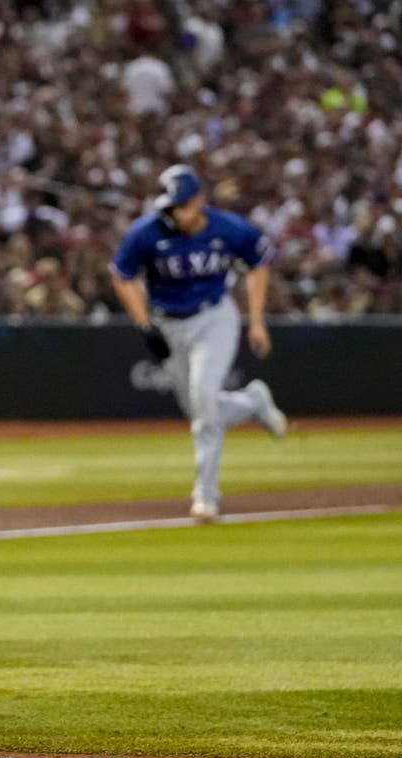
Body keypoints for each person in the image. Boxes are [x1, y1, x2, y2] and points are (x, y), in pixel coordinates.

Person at [109, 164, 288, 522]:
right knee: (198, 410)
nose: (175, 213)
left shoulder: (229, 227)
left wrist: (255, 321)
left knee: (204, 399)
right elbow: (122, 275)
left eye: (181, 205)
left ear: (199, 200)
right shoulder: (146, 232)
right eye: (170, 206)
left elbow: (258, 264)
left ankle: (206, 494)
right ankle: (251, 402)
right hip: (168, 322)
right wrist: (145, 325)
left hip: (214, 317)